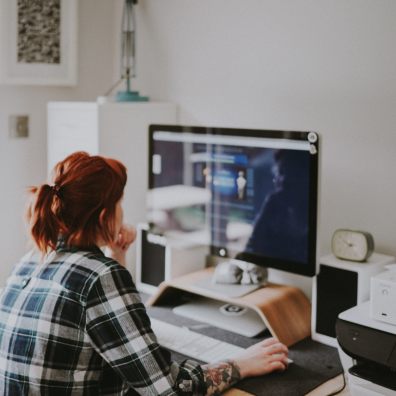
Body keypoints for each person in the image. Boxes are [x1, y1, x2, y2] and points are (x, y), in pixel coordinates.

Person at [0, 151, 289, 395]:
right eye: (120, 204)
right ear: (105, 217)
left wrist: (117, 256)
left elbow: (109, 328)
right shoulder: (99, 277)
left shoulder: (30, 260)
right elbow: (168, 389)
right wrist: (241, 364)